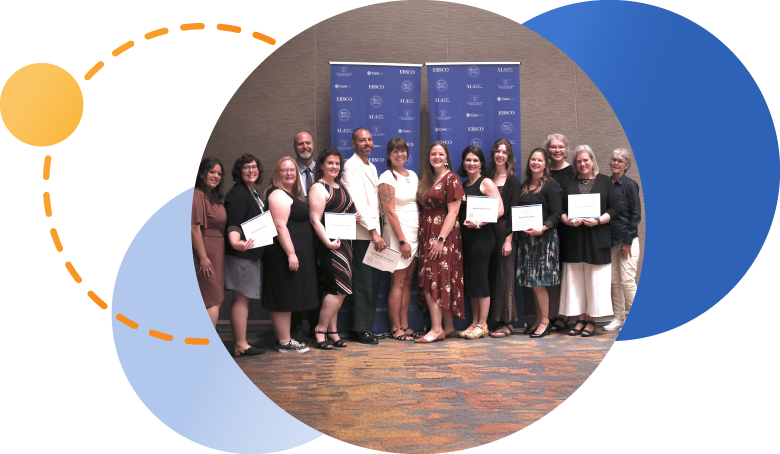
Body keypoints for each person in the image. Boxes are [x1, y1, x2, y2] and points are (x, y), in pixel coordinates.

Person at [559, 145, 620, 337]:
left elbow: (616, 209)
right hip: (574, 238)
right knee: (576, 280)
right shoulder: (568, 182)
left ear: (592, 160)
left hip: (597, 237)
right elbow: (559, 210)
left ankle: (592, 321)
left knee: (595, 280)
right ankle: (579, 319)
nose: (582, 164)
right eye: (578, 161)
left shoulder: (604, 181)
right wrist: (568, 220)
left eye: (586, 160)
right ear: (575, 164)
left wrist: (598, 220)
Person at [262, 157, 319, 353]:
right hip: (281, 255)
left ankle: (285, 339)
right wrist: (291, 253)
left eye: (292, 170)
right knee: (283, 298)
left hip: (289, 255)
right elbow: (280, 226)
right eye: (284, 170)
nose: (289, 173)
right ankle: (285, 342)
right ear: (277, 173)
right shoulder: (277, 194)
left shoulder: (288, 194)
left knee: (288, 296)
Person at [308, 149, 360, 350]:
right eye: (330, 163)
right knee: (338, 290)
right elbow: (315, 219)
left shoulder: (340, 186)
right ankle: (320, 330)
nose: (334, 167)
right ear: (321, 165)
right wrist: (328, 243)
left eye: (337, 163)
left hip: (345, 245)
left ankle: (333, 331)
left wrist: (352, 217)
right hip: (328, 246)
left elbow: (343, 212)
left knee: (339, 290)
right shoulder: (318, 188)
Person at [415, 141, 465, 343]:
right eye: (433, 153)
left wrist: (440, 240)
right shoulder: (427, 179)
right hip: (427, 234)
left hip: (444, 236)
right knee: (440, 280)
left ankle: (436, 330)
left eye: (440, 154)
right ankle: (449, 327)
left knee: (432, 280)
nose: (437, 157)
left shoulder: (452, 179)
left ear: (446, 158)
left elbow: (453, 213)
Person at [341, 127, 387, 344]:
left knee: (373, 283)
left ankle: (367, 327)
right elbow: (357, 203)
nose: (367, 143)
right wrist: (374, 232)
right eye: (362, 140)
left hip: (376, 234)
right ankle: (360, 330)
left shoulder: (372, 166)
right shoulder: (350, 167)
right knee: (362, 284)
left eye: (369, 140)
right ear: (353, 143)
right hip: (363, 234)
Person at [515, 148, 563, 338]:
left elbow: (557, 213)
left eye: (540, 160)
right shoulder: (525, 185)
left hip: (544, 240)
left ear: (545, 164)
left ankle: (545, 321)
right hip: (527, 241)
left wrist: (542, 228)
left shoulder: (550, 185)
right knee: (533, 283)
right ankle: (537, 319)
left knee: (539, 282)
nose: (535, 163)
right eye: (533, 159)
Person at [457, 145, 503, 340]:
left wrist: (478, 223)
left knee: (481, 281)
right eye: (468, 160)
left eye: (475, 160)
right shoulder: (464, 185)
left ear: (481, 163)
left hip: (482, 238)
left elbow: (499, 210)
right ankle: (475, 322)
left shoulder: (486, 183)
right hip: (467, 240)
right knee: (473, 282)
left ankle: (483, 324)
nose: (471, 163)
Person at [224, 154, 267, 356]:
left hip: (252, 254)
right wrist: (235, 241)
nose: (251, 170)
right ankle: (240, 344)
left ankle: (242, 342)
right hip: (242, 254)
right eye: (246, 167)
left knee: (244, 299)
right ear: (239, 171)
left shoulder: (253, 192)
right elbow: (233, 223)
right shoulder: (238, 194)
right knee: (241, 299)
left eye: (254, 166)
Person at [378, 138, 420, 341]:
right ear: (388, 155)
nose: (399, 154)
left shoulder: (412, 175)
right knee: (398, 281)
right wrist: (402, 240)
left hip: (414, 232)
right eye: (395, 151)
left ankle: (405, 324)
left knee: (408, 281)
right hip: (398, 235)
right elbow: (390, 212)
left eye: (403, 150)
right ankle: (395, 327)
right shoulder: (387, 177)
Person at [485, 139, 522, 338]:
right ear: (493, 154)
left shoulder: (513, 180)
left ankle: (508, 323)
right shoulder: (488, 177)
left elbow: (514, 212)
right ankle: (497, 320)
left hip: (505, 231)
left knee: (505, 277)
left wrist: (509, 240)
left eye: (504, 152)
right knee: (494, 276)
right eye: (497, 151)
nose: (500, 155)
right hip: (487, 232)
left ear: (509, 156)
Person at [605, 148, 641, 331]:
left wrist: (628, 240)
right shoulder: (605, 184)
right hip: (611, 240)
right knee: (614, 282)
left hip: (628, 241)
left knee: (627, 280)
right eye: (613, 159)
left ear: (626, 165)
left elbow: (636, 215)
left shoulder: (630, 185)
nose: (615, 163)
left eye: (620, 160)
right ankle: (619, 317)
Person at [545, 133, 576, 333]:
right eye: (553, 147)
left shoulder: (574, 171)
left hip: (571, 229)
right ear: (548, 150)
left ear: (566, 149)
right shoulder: (543, 171)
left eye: (561, 147)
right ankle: (551, 314)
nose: (557, 150)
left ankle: (565, 315)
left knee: (567, 274)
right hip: (548, 230)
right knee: (552, 275)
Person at [290, 131, 320, 339]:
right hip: (298, 230)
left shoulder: (324, 168)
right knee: (298, 277)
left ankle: (316, 325)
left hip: (322, 230)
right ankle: (295, 327)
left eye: (308, 143)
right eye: (300, 144)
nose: (305, 146)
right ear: (295, 147)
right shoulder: (289, 171)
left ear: (313, 145)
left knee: (319, 277)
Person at [191, 157, 227, 328]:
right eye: (212, 172)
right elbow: (194, 228)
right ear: (201, 174)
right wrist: (203, 257)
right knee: (212, 299)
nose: (216, 176)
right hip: (206, 254)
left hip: (217, 253)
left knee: (215, 298)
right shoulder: (197, 195)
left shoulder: (212, 197)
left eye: (219, 173)